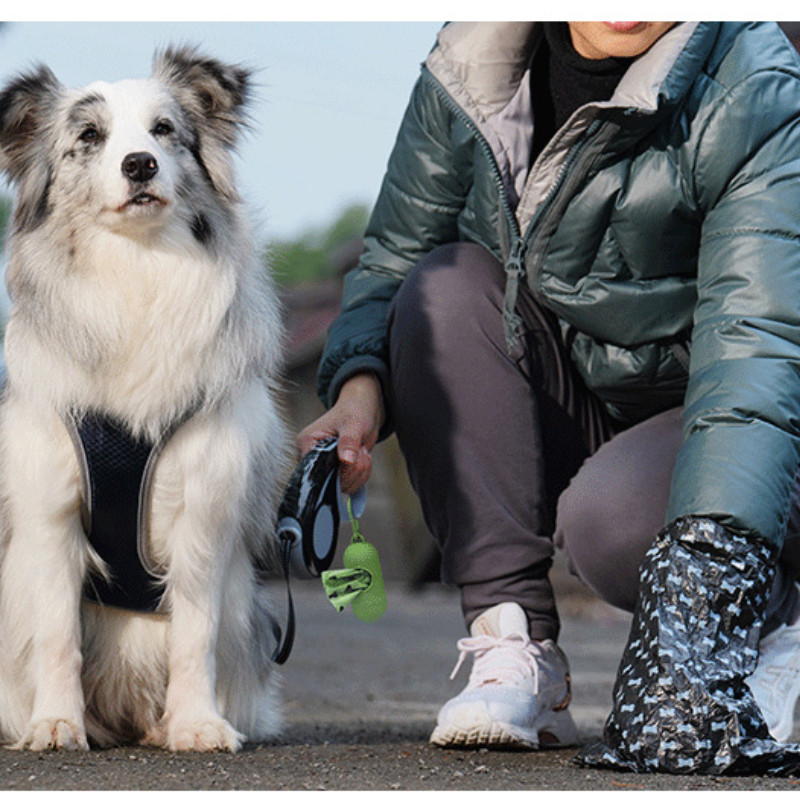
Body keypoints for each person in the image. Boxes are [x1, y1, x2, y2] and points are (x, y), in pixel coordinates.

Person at [299, 21, 800, 771]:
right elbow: (395, 258)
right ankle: (516, 647)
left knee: (614, 526)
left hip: (739, 410)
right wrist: (361, 391)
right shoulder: (471, 66)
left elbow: (754, 351)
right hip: (590, 390)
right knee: (442, 288)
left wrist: (706, 584)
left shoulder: (752, 83)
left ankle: (775, 620)